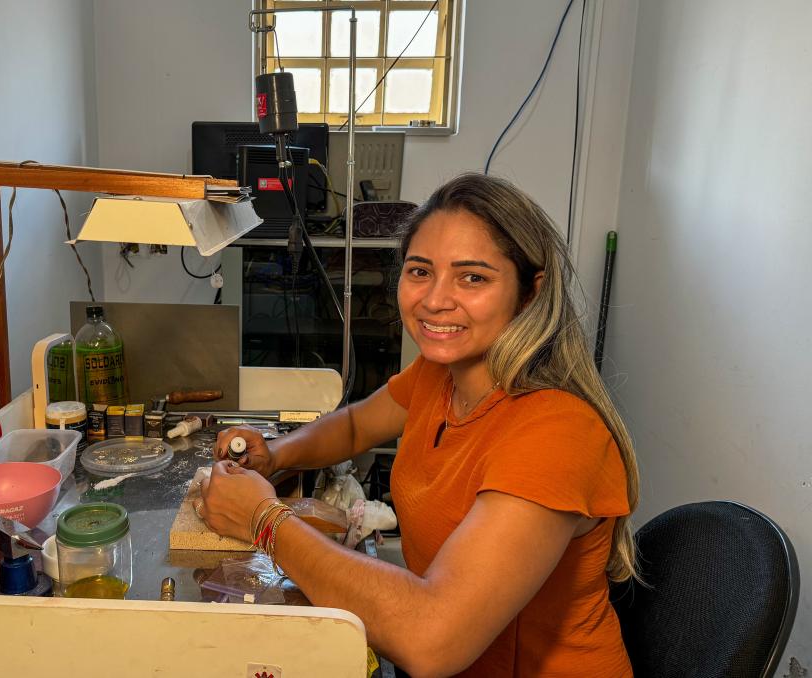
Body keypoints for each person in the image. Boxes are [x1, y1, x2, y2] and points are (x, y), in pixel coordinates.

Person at [200, 172, 639, 677]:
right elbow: (354, 427)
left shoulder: (556, 432)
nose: (434, 300)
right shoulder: (440, 374)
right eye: (420, 271)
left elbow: (431, 639)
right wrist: (276, 452)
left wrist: (264, 519)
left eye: (473, 278)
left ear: (529, 294)